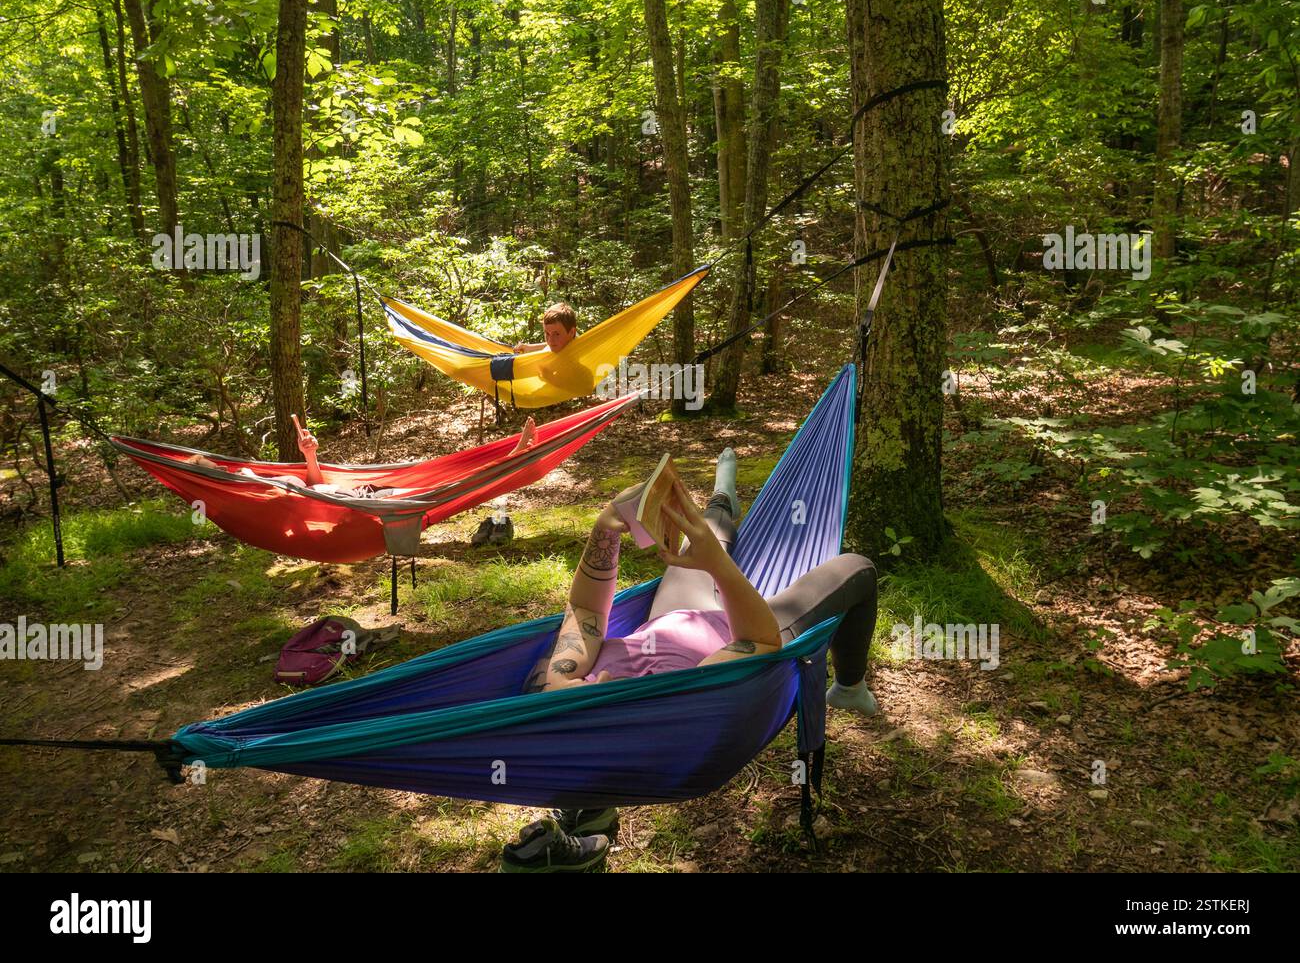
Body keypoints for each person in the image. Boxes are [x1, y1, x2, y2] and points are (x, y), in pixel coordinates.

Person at [499, 448, 880, 873]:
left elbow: (585, 613)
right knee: (857, 568)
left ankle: (722, 500)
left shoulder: (560, 688)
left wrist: (608, 523)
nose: (594, 686)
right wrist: (717, 568)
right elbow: (757, 640)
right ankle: (849, 686)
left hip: (673, 617)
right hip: (753, 622)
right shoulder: (674, 706)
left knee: (704, 530)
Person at [184, 414, 538, 500]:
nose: (221, 466)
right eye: (213, 468)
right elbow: (302, 503)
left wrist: (310, 455)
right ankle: (513, 457)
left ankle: (512, 456)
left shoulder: (247, 475)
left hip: (357, 495)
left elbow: (314, 487)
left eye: (215, 464)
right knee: (441, 489)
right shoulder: (246, 492)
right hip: (360, 505)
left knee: (438, 478)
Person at [512, 301, 578, 354]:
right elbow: (551, 345)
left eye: (557, 334)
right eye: (547, 334)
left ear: (572, 332)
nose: (550, 341)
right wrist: (529, 347)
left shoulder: (580, 352)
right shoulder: (566, 341)